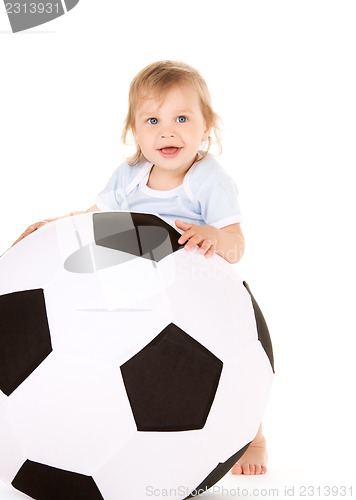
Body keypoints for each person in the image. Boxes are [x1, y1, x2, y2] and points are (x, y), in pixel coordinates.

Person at [13, 60, 268, 475]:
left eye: (182, 118)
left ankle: (253, 435)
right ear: (134, 132)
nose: (167, 131)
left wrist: (212, 236)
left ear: (208, 128)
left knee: (234, 354)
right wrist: (54, 226)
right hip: (140, 289)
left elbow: (236, 244)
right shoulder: (130, 175)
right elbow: (94, 218)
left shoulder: (208, 180)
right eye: (153, 120)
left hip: (200, 289)